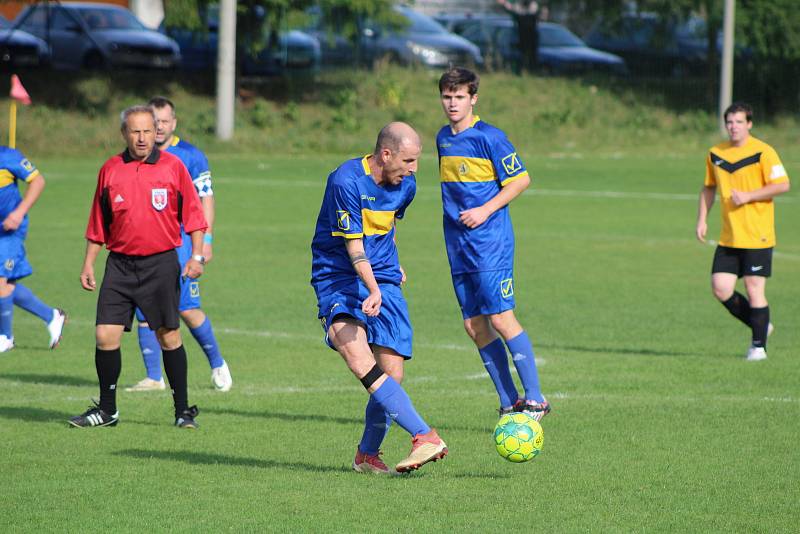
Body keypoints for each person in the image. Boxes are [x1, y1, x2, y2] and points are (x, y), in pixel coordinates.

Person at [310, 122, 447, 474]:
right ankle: (424, 436)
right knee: (359, 359)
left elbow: (388, 225)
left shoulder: (406, 184)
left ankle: (367, 455)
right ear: (385, 155)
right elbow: (354, 246)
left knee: (391, 373)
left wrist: (392, 266)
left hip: (382, 276)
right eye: (409, 160)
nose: (414, 169)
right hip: (339, 278)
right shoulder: (345, 182)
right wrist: (372, 288)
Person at [69, 105, 207, 428]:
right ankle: (107, 411)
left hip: (160, 264)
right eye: (136, 131)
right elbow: (98, 223)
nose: (143, 137)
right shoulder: (110, 169)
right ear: (124, 134)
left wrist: (197, 255)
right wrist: (89, 262)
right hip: (119, 265)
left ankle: (182, 411)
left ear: (156, 131)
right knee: (105, 335)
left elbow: (195, 218)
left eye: (148, 130)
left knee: (169, 336)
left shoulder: (173, 167)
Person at [436, 67, 549, 420]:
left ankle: (536, 399)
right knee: (474, 325)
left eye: (459, 97)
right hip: (458, 246)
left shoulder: (490, 137)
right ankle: (509, 400)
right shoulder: (443, 138)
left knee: (501, 317)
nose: (453, 103)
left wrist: (485, 210)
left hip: (490, 244)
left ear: (473, 99)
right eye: (447, 96)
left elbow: (521, 179)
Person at [125, 96, 232, 393]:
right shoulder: (138, 156)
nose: (158, 127)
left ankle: (217, 364)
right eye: (153, 121)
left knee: (186, 308)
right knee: (144, 307)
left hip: (182, 241)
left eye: (164, 121)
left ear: (174, 122)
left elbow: (205, 198)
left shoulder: (190, 155)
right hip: (146, 243)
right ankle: (153, 377)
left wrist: (206, 240)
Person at [696, 102, 790, 361]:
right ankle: (761, 324)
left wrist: (749, 195)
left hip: (757, 235)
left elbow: (783, 185)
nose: (733, 127)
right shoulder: (716, 153)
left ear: (749, 124)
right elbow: (708, 188)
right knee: (720, 287)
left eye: (739, 122)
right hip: (730, 235)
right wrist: (702, 219)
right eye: (729, 122)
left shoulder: (763, 152)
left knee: (753, 287)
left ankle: (758, 347)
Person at [0, 146, 66, 352]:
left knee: (0, 280)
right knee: (7, 284)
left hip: (10, 228)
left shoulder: (7, 156)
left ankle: (5, 337)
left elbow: (38, 181)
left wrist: (18, 213)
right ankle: (52, 315)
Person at [496, 0, 540, 73]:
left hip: (530, 36)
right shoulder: (521, 7)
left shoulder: (533, 7)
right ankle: (522, 71)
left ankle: (532, 70)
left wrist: (506, 5)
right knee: (522, 55)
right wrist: (505, 4)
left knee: (531, 55)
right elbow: (512, 11)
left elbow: (515, 12)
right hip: (523, 36)